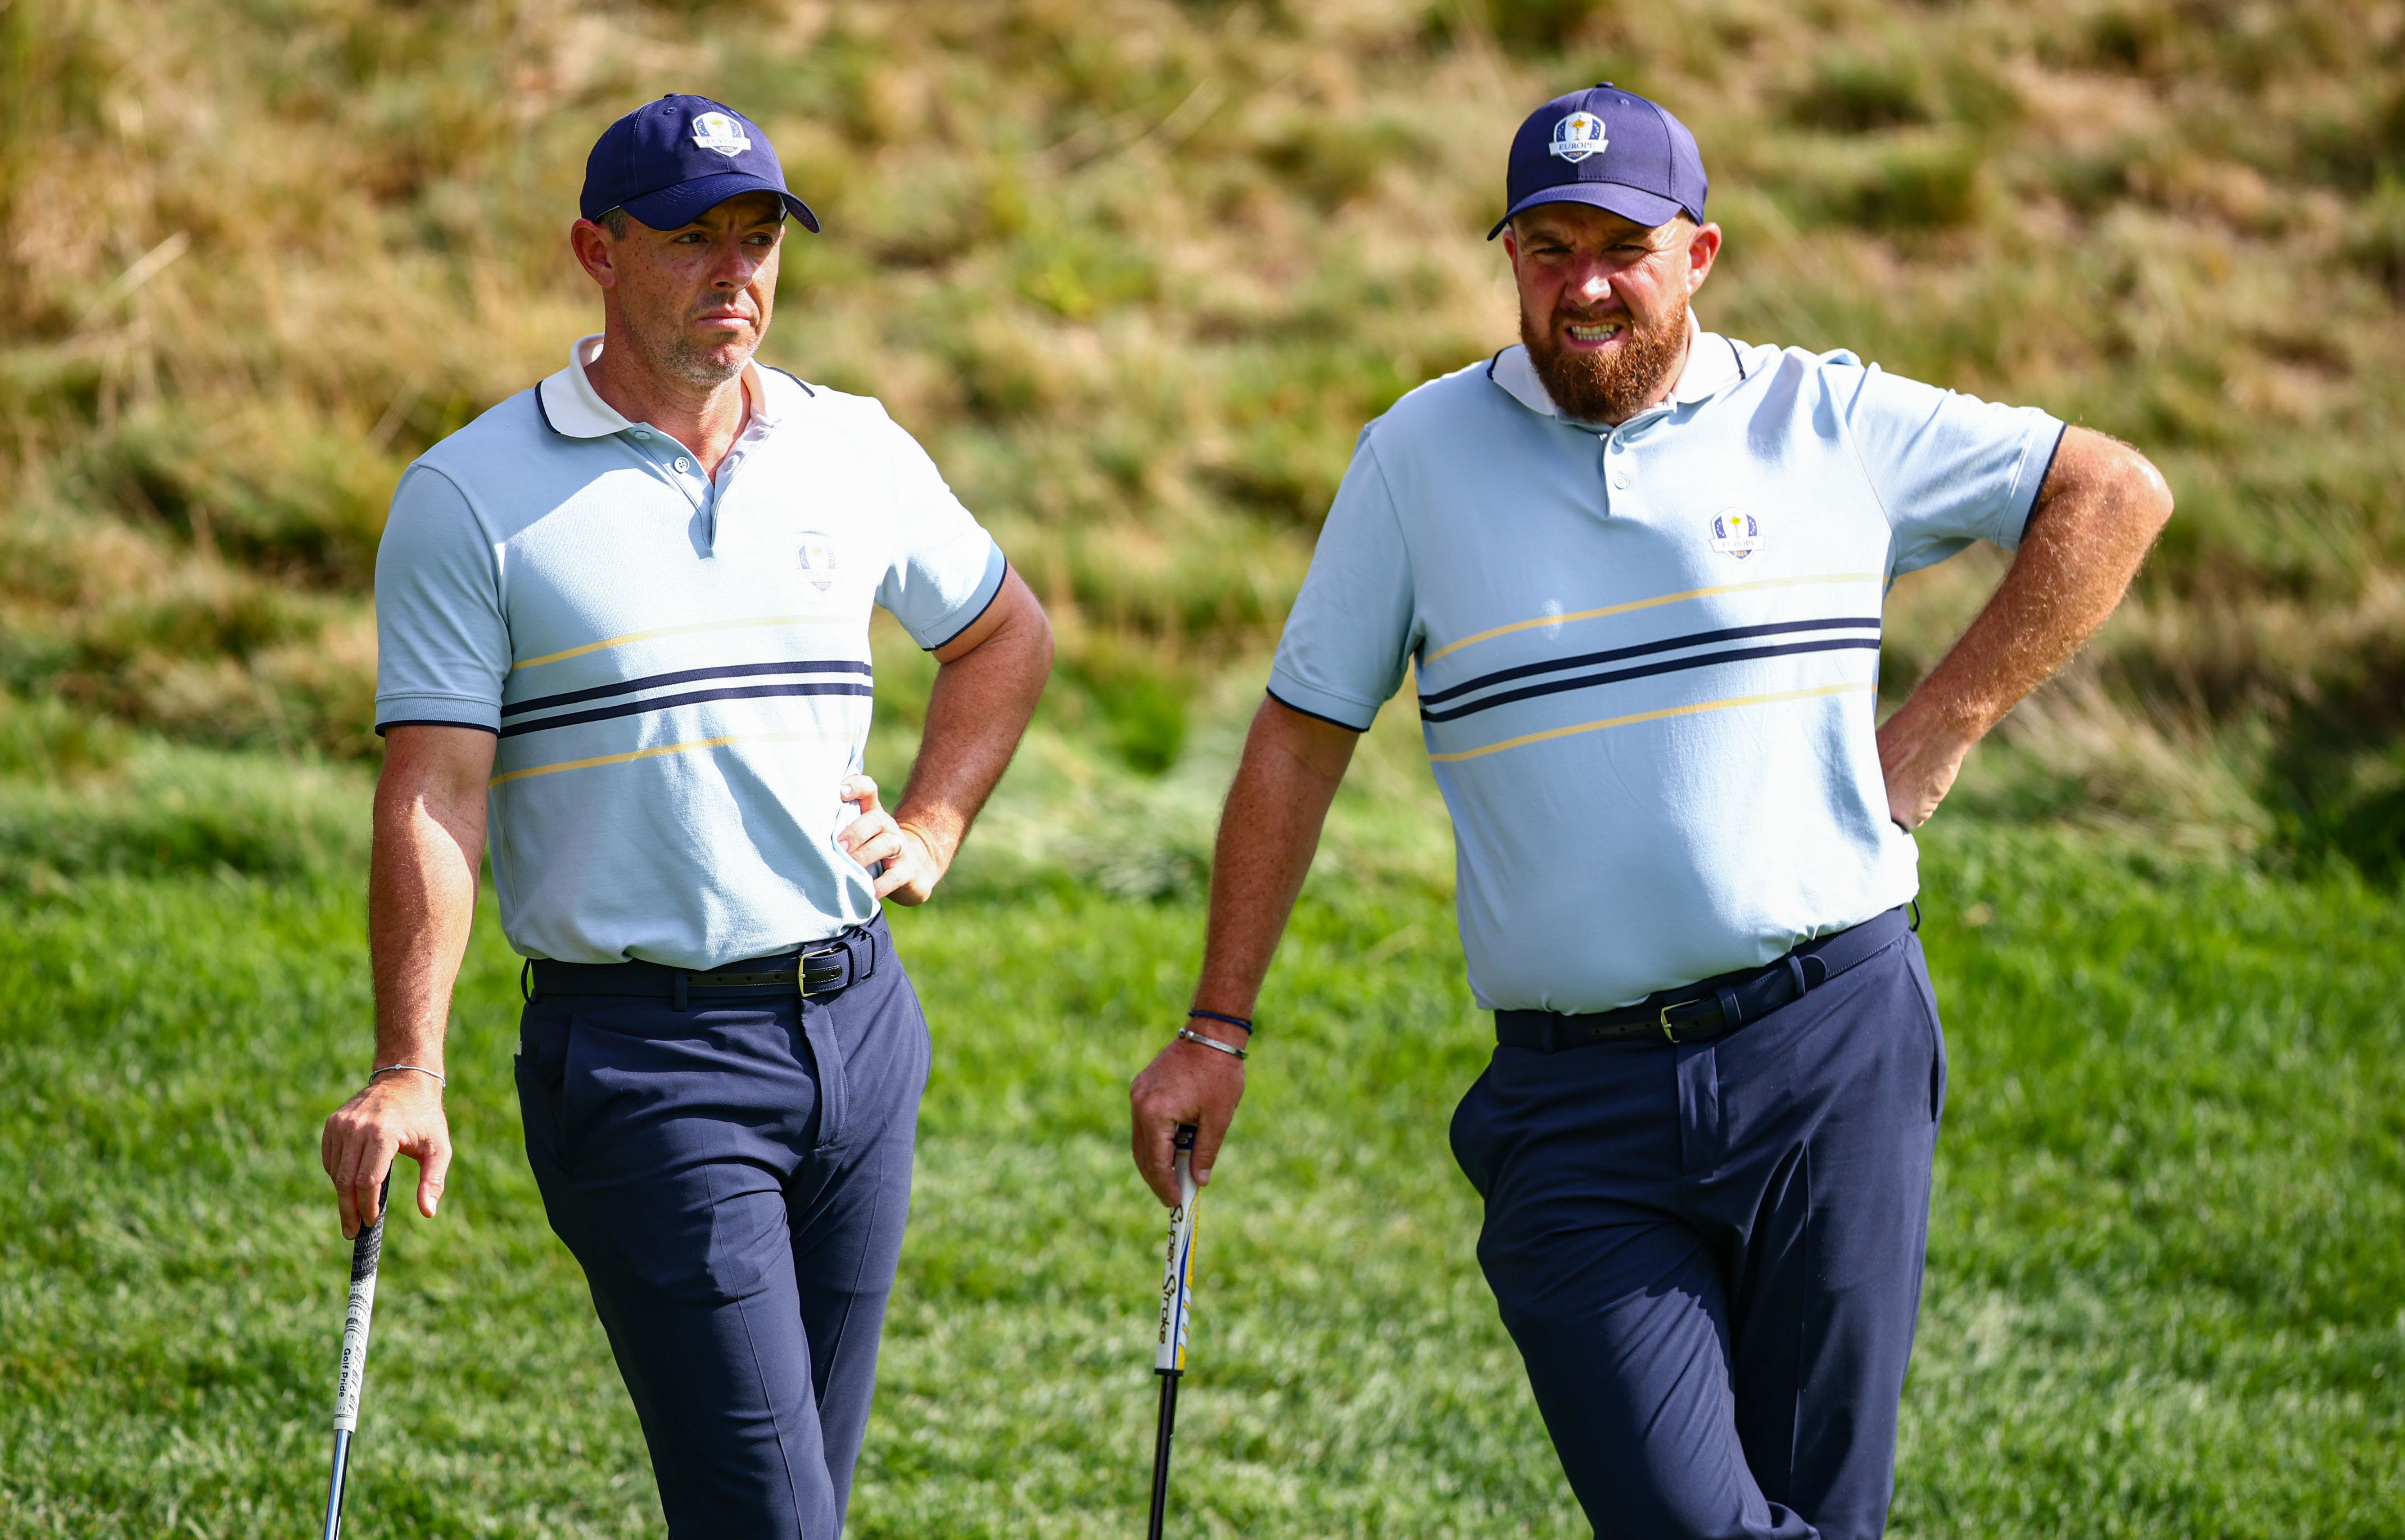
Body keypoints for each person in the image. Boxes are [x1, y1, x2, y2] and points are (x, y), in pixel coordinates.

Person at [1128, 83, 2171, 1539]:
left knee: (1824, 1512)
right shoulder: (1415, 460)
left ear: (1700, 253)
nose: (1585, 286)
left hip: (1831, 1052)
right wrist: (1216, 1029)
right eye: (1546, 249)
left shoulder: (1827, 417)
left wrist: (1936, 733)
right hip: (1574, 1104)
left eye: (1622, 244)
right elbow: (1303, 737)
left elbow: (2113, 493)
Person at [320, 94, 1052, 1537]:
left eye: (762, 236)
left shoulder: (854, 447)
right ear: (596, 249)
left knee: (787, 1507)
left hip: (859, 1032)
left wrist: (936, 822)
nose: (738, 272)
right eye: (693, 238)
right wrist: (411, 1065)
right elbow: (436, 790)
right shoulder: (472, 495)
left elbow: (1003, 634)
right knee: (777, 1522)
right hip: (646, 1069)